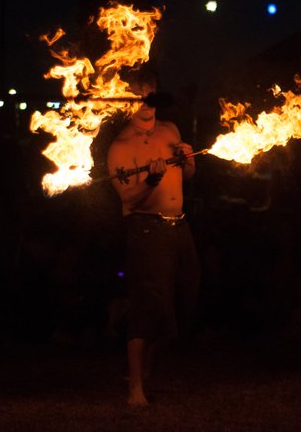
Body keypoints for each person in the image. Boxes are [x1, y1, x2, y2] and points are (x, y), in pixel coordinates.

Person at [107, 81, 200, 406]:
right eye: (137, 98)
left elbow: (187, 176)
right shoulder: (121, 146)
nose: (145, 103)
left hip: (179, 226)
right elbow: (128, 198)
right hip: (146, 228)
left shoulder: (170, 129)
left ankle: (148, 374)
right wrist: (151, 180)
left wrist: (187, 160)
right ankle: (135, 387)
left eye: (149, 96)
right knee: (149, 306)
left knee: (187, 297)